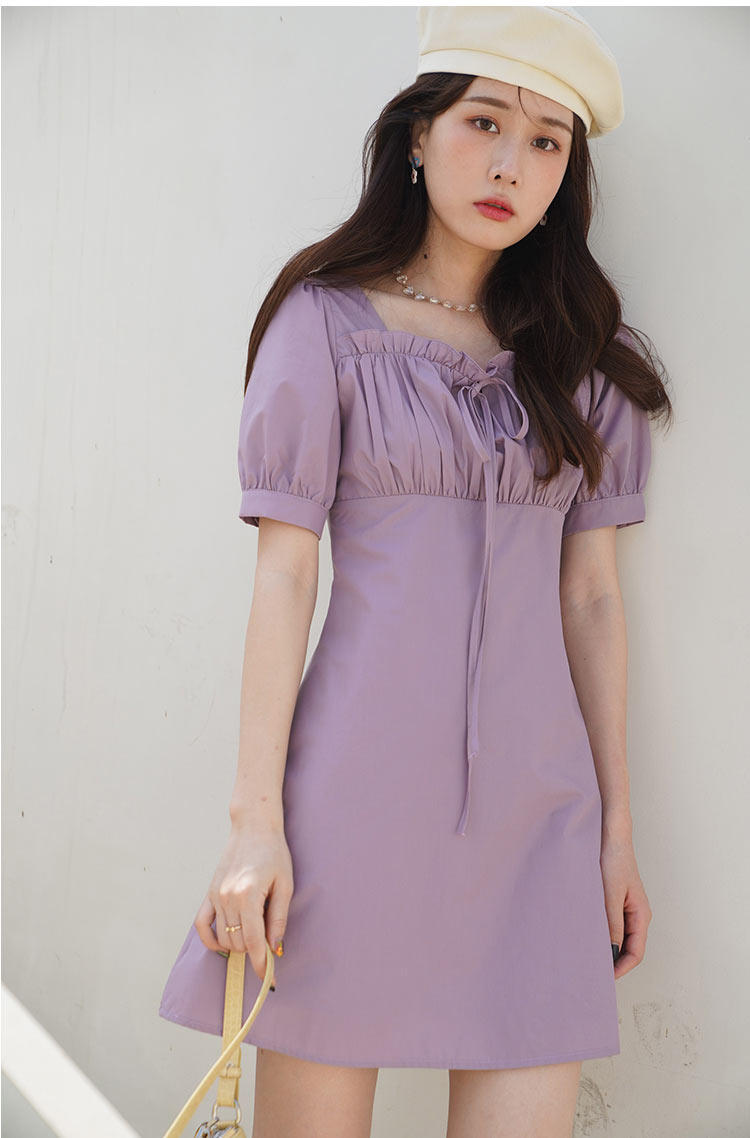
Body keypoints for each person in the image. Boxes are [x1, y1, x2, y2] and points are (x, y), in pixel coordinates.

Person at [159, 6, 673, 1136]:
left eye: (545, 141)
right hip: (349, 808)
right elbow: (285, 579)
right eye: (483, 122)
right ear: (415, 136)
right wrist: (254, 824)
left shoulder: (589, 360)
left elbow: (591, 596)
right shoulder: (323, 325)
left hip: (540, 820)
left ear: (567, 177)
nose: (510, 164)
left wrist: (616, 832)